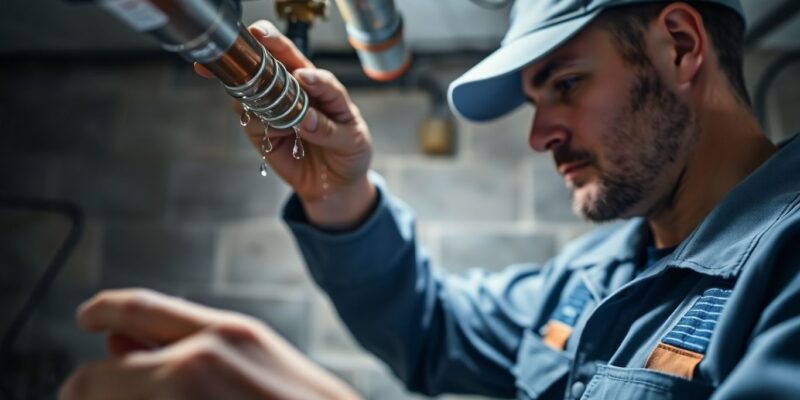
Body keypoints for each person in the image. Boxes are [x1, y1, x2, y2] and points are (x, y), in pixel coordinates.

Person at [60, 0, 800, 398]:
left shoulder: (785, 270)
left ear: (678, 44)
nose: (540, 134)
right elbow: (433, 326)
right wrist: (344, 194)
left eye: (566, 84)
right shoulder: (595, 276)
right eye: (535, 101)